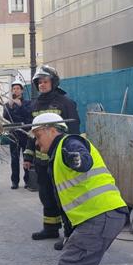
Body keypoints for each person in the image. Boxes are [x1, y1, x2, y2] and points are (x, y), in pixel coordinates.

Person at [29, 113, 128, 265]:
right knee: (82, 261)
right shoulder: (57, 154)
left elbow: (81, 157)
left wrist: (78, 158)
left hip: (100, 215)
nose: (36, 142)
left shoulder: (68, 143)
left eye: (38, 135)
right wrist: (69, 234)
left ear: (52, 130)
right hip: (101, 216)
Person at [23, 65, 80, 248]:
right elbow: (34, 134)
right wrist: (28, 156)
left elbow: (73, 131)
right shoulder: (35, 104)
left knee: (63, 196)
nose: (42, 85)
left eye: (45, 81)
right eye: (39, 82)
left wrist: (71, 155)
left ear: (53, 82)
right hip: (42, 160)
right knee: (46, 195)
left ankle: (70, 234)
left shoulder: (65, 103)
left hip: (59, 160)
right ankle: (50, 228)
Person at [3, 80, 32, 189]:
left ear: (22, 90)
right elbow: (5, 118)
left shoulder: (27, 103)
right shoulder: (8, 104)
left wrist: (20, 106)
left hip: (25, 134)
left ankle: (28, 180)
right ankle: (15, 181)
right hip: (14, 135)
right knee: (14, 159)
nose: (16, 90)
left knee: (27, 157)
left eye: (18, 88)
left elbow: (29, 116)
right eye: (14, 88)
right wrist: (9, 107)